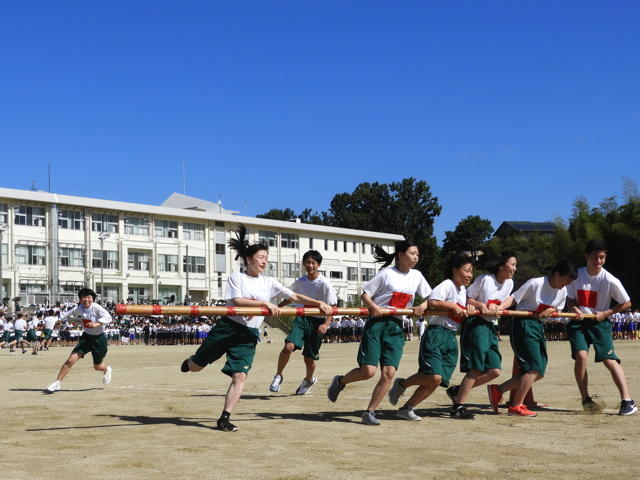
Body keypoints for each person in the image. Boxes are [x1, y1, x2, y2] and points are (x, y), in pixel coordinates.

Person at [179, 225, 332, 432]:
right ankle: (191, 362)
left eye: (266, 257)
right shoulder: (237, 277)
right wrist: (265, 305)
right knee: (197, 367)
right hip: (228, 328)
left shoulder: (269, 282)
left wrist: (317, 303)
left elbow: (293, 296)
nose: (265, 261)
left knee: (240, 375)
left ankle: (224, 417)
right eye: (261, 257)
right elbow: (236, 300)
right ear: (249, 259)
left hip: (248, 335)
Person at [326, 240, 431, 426]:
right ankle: (341, 381)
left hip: (397, 327)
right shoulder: (387, 274)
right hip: (377, 324)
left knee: (389, 372)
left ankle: (370, 411)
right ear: (400, 254)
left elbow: (431, 297)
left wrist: (422, 305)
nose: (416, 257)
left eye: (417, 254)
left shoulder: (417, 276)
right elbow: (365, 294)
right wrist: (373, 306)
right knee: (368, 371)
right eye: (412, 253)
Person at [388, 255, 475, 421]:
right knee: (433, 376)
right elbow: (433, 301)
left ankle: (407, 408)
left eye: (471, 271)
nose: (470, 275)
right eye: (466, 270)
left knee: (437, 380)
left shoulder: (463, 291)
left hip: (451, 336)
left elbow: (465, 307)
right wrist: (453, 306)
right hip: (436, 333)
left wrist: (469, 307)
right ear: (455, 270)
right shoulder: (447, 284)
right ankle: (402, 384)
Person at [488, 260, 577, 417]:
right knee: (533, 367)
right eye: (566, 280)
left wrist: (551, 311)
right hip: (524, 324)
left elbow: (558, 309)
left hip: (539, 326)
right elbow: (514, 298)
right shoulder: (536, 283)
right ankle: (516, 405)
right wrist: (500, 308)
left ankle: (498, 390)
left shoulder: (562, 292)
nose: (566, 285)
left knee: (539, 371)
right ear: (557, 274)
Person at [566, 239, 636, 416]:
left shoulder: (610, 279)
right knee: (581, 356)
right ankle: (586, 399)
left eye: (601, 257)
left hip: (600, 323)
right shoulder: (577, 275)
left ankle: (627, 401)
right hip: (578, 322)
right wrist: (575, 310)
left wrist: (606, 313)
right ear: (586, 256)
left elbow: (626, 303)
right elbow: (570, 299)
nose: (598, 262)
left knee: (609, 360)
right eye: (594, 257)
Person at [446, 253, 517, 414]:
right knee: (476, 368)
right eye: (512, 264)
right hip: (476, 325)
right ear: (501, 266)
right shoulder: (485, 279)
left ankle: (457, 390)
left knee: (494, 370)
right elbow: (467, 299)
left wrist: (500, 309)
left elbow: (504, 302)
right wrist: (480, 305)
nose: (514, 269)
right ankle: (458, 406)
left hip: (491, 326)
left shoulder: (509, 283)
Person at [269, 250, 338, 395]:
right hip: (301, 319)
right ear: (303, 264)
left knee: (309, 358)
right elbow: (291, 296)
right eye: (307, 262)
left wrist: (326, 324)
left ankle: (309, 379)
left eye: (313, 263)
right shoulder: (301, 281)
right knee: (288, 347)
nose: (310, 265)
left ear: (318, 265)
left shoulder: (325, 283)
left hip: (317, 322)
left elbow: (333, 306)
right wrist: (278, 307)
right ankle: (278, 375)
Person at [45, 288, 113, 393]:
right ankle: (57, 383)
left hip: (99, 339)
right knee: (70, 360)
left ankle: (106, 369)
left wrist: (97, 323)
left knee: (97, 366)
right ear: (80, 299)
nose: (86, 300)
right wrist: (59, 320)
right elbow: (66, 314)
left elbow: (109, 317)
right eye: (83, 297)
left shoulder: (97, 308)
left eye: (89, 297)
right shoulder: (79, 308)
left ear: (93, 299)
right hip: (86, 338)